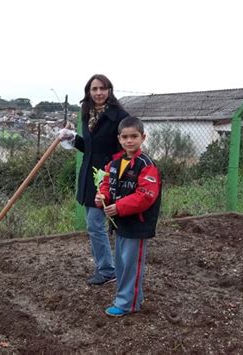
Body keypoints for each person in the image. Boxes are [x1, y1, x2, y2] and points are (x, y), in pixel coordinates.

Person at [58, 74, 129, 285]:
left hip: (108, 178)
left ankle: (107, 270)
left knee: (95, 224)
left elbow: (125, 149)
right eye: (94, 89)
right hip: (90, 176)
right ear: (88, 92)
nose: (98, 93)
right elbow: (90, 148)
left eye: (103, 88)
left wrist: (112, 173)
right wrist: (72, 138)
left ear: (110, 91)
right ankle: (106, 267)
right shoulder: (87, 114)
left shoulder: (119, 117)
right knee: (95, 225)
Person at [95, 116, 161, 316]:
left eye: (134, 136)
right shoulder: (114, 163)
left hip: (137, 224)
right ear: (119, 138)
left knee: (131, 265)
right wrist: (102, 197)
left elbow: (146, 196)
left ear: (143, 137)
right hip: (121, 222)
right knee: (122, 263)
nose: (129, 140)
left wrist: (119, 207)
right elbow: (107, 184)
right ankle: (130, 297)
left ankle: (127, 304)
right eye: (125, 137)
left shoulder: (147, 165)